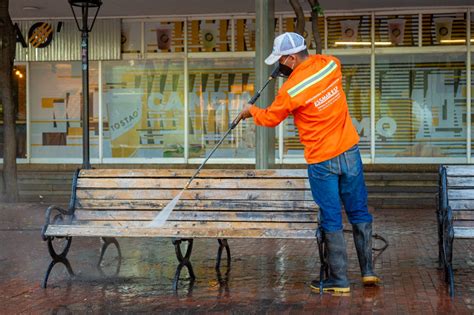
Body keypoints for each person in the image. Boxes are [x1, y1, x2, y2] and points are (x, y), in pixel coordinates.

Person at [238, 32, 380, 293]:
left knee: (332, 217)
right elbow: (321, 65)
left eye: (280, 60)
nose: (278, 65)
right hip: (349, 152)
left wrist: (251, 111)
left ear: (291, 58)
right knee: (358, 210)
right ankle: (368, 272)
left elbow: (271, 118)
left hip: (322, 160)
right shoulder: (331, 65)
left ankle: (339, 281)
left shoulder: (290, 90)